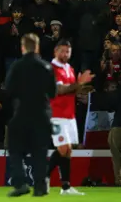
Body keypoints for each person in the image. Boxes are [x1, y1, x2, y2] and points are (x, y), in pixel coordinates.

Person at [5, 33, 55, 197]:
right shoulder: (46, 67)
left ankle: (20, 182)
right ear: (38, 47)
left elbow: (9, 90)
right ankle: (40, 186)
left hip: (22, 112)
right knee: (40, 152)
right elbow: (53, 92)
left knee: (15, 149)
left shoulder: (17, 66)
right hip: (42, 114)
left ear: (23, 47)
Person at [46, 40, 93, 195]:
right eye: (62, 51)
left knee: (68, 151)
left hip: (69, 114)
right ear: (55, 51)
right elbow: (59, 90)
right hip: (57, 114)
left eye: (68, 51)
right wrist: (78, 83)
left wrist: (81, 86)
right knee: (63, 148)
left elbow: (72, 90)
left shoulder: (70, 68)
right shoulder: (51, 69)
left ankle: (65, 187)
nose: (65, 54)